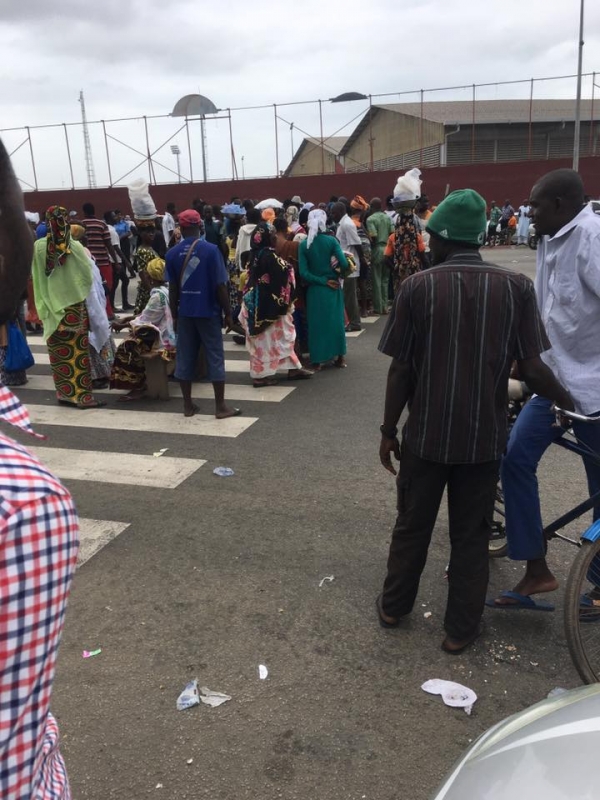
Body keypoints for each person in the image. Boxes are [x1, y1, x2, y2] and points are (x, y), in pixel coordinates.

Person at [376, 188, 572, 652]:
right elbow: (533, 369)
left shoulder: (416, 288)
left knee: (412, 525)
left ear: (441, 238)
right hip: (483, 439)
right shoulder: (516, 289)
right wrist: (569, 404)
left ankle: (393, 607)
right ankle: (459, 632)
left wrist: (388, 431)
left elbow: (400, 369)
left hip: (426, 436)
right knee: (470, 534)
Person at [491, 169, 600, 610]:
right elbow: (547, 309)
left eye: (535, 206)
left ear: (559, 204)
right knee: (515, 459)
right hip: (553, 382)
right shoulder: (550, 239)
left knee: (599, 487)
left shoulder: (591, 239)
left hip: (594, 390)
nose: (528, 213)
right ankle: (537, 570)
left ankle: (598, 581)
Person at [166, 209, 241, 419]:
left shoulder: (171, 253)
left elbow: (173, 289)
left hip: (185, 312)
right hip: (208, 311)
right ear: (199, 226)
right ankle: (220, 407)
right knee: (215, 356)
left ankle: (188, 406)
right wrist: (228, 313)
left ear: (181, 228)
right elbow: (221, 286)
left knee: (185, 357)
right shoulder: (211, 250)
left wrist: (174, 315)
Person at [32, 207, 106, 408]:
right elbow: (86, 277)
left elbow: (36, 278)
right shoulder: (74, 246)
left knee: (59, 353)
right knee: (78, 354)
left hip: (51, 307)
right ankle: (82, 397)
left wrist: (40, 304)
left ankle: (65, 394)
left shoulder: (38, 247)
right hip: (74, 308)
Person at [240, 223, 311, 387]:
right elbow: (282, 274)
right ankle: (259, 376)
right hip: (267, 307)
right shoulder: (268, 256)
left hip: (260, 304)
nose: (275, 239)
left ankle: (293, 368)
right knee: (269, 341)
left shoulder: (256, 254)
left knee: (282, 338)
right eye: (272, 237)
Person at [110, 257, 176, 400]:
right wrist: (128, 319)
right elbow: (147, 313)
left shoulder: (157, 296)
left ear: (151, 276)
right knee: (132, 341)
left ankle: (138, 386)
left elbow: (145, 321)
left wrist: (121, 325)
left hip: (162, 339)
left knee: (127, 348)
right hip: (169, 333)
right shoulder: (166, 290)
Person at [298, 209, 348, 370]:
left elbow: (303, 273)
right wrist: (334, 275)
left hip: (315, 290)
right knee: (336, 322)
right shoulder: (332, 241)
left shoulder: (304, 245)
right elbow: (344, 264)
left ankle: (317, 360)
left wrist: (321, 281)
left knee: (316, 325)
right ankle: (340, 357)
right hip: (333, 288)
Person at [70, 224, 115, 390]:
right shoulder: (77, 254)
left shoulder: (83, 251)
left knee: (100, 332)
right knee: (94, 335)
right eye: (84, 236)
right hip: (88, 299)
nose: (88, 238)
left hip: (96, 297)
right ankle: (96, 375)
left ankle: (104, 372)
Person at [390, 169, 426, 295]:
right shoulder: (411, 220)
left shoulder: (399, 220)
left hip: (401, 265)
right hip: (411, 266)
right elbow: (420, 249)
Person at [331, 201, 364, 332]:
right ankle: (351, 321)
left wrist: (362, 260)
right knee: (347, 296)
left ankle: (355, 323)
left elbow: (357, 243)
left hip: (350, 265)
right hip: (345, 265)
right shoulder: (342, 224)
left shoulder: (347, 224)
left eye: (333, 212)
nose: (332, 215)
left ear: (340, 212)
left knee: (349, 297)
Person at [81, 202, 118, 317]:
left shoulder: (80, 225)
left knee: (92, 289)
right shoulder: (101, 224)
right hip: (102, 261)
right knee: (106, 287)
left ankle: (95, 313)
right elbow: (109, 244)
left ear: (84, 212)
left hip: (87, 261)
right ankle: (108, 312)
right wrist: (116, 261)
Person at [366, 197, 394, 315]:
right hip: (388, 248)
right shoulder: (388, 218)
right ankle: (385, 306)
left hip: (377, 249)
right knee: (385, 279)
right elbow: (393, 233)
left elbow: (373, 236)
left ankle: (378, 307)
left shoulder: (370, 219)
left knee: (376, 279)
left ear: (372, 207)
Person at [104, 210, 132, 312]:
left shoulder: (108, 229)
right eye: (113, 216)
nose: (116, 218)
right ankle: (113, 306)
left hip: (113, 260)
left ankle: (124, 303)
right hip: (115, 260)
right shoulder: (111, 231)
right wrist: (124, 262)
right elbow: (115, 247)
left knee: (122, 281)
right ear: (109, 219)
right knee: (117, 283)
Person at [132, 219, 160, 314]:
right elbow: (142, 272)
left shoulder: (150, 248)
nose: (152, 234)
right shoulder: (142, 250)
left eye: (153, 232)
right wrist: (151, 290)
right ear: (141, 234)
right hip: (148, 287)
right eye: (148, 232)